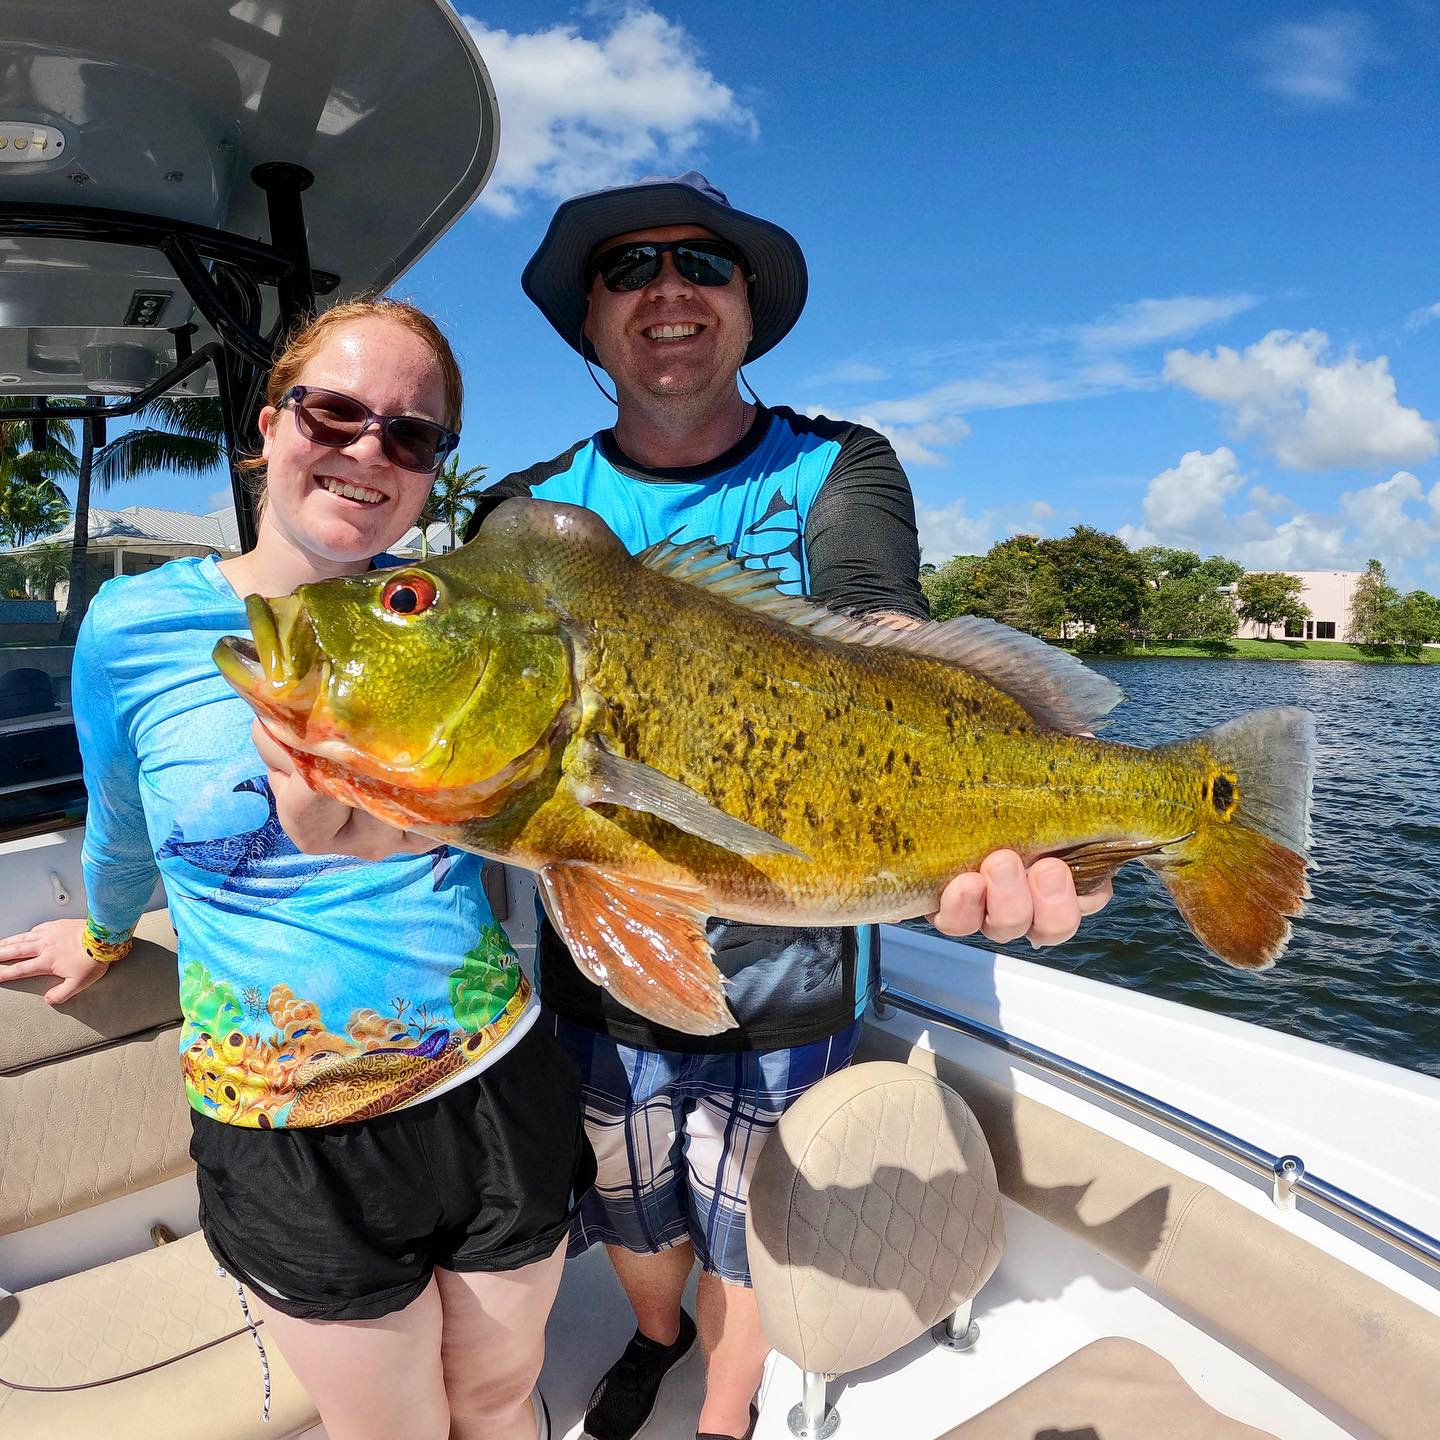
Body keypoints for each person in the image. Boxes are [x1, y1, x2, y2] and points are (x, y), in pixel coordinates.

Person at [265, 174, 1112, 1440]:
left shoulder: (838, 465)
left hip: (798, 977)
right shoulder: (528, 520)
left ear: (750, 307)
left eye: (704, 264)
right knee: (626, 1198)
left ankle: (723, 1407)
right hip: (598, 967)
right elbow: (468, 752)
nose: (669, 288)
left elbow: (887, 638)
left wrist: (1061, 818)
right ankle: (654, 1339)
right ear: (590, 321)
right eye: (629, 268)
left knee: (750, 1219)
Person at [0, 299, 592, 1440]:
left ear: (431, 472)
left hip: (495, 1077)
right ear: (270, 425)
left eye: (411, 435)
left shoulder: (470, 629)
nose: (369, 450)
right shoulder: (133, 625)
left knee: (499, 1396)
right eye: (334, 413)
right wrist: (106, 933)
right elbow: (119, 823)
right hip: (285, 1125)